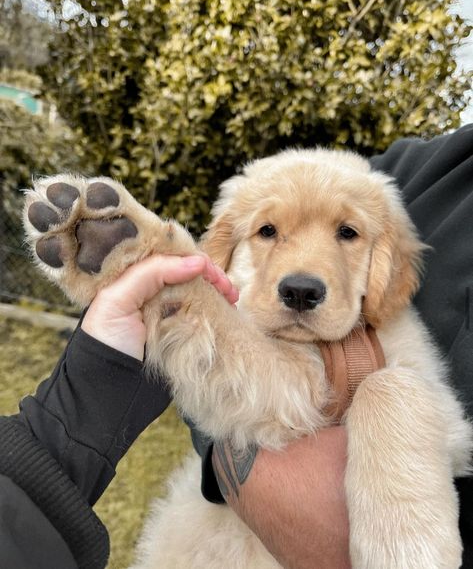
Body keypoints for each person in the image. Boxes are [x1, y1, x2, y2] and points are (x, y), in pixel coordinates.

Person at [0, 124, 472, 569]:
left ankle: (151, 273)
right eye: (267, 231)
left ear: (385, 259)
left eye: (347, 233)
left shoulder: (392, 248)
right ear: (221, 254)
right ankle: (145, 270)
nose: (303, 276)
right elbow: (258, 387)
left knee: (397, 390)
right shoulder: (427, 170)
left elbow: (442, 423)